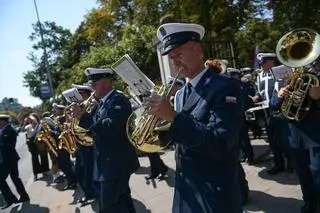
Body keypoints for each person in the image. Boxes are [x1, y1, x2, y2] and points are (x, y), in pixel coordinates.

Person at [146, 22, 244, 213]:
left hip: (213, 192)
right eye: (172, 58)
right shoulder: (181, 93)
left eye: (179, 55)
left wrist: (173, 116)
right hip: (186, 190)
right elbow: (181, 136)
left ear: (197, 49)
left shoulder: (226, 87)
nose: (175, 63)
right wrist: (158, 126)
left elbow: (220, 144)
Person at [72, 68, 140, 213]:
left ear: (106, 83)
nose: (92, 88)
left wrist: (84, 118)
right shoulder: (101, 103)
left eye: (94, 84)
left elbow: (111, 127)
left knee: (109, 206)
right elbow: (94, 128)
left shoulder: (118, 99)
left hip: (117, 162)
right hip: (107, 162)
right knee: (123, 201)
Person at [271, 59, 320, 213]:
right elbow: (273, 105)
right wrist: (279, 96)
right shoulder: (283, 81)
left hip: (315, 132)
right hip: (294, 134)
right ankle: (309, 202)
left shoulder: (315, 79)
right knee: (302, 171)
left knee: (317, 171)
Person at [70, 83, 96, 206]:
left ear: (86, 94)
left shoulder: (91, 107)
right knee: (79, 173)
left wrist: (81, 115)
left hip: (89, 147)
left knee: (88, 176)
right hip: (81, 147)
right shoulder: (78, 108)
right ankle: (90, 194)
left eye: (81, 94)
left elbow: (91, 126)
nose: (79, 97)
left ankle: (92, 195)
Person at [0, 114, 30, 209]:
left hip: (8, 159)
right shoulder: (5, 130)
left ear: (3, 121)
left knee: (1, 179)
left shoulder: (9, 130)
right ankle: (24, 196)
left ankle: (10, 199)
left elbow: (8, 145)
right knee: (15, 178)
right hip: (9, 158)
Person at [21, 114, 49, 181]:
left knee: (44, 157)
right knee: (34, 159)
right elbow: (22, 130)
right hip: (32, 145)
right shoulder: (28, 126)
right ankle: (35, 174)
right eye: (30, 119)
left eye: (33, 119)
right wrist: (25, 122)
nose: (31, 120)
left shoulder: (40, 125)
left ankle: (44, 171)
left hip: (41, 143)